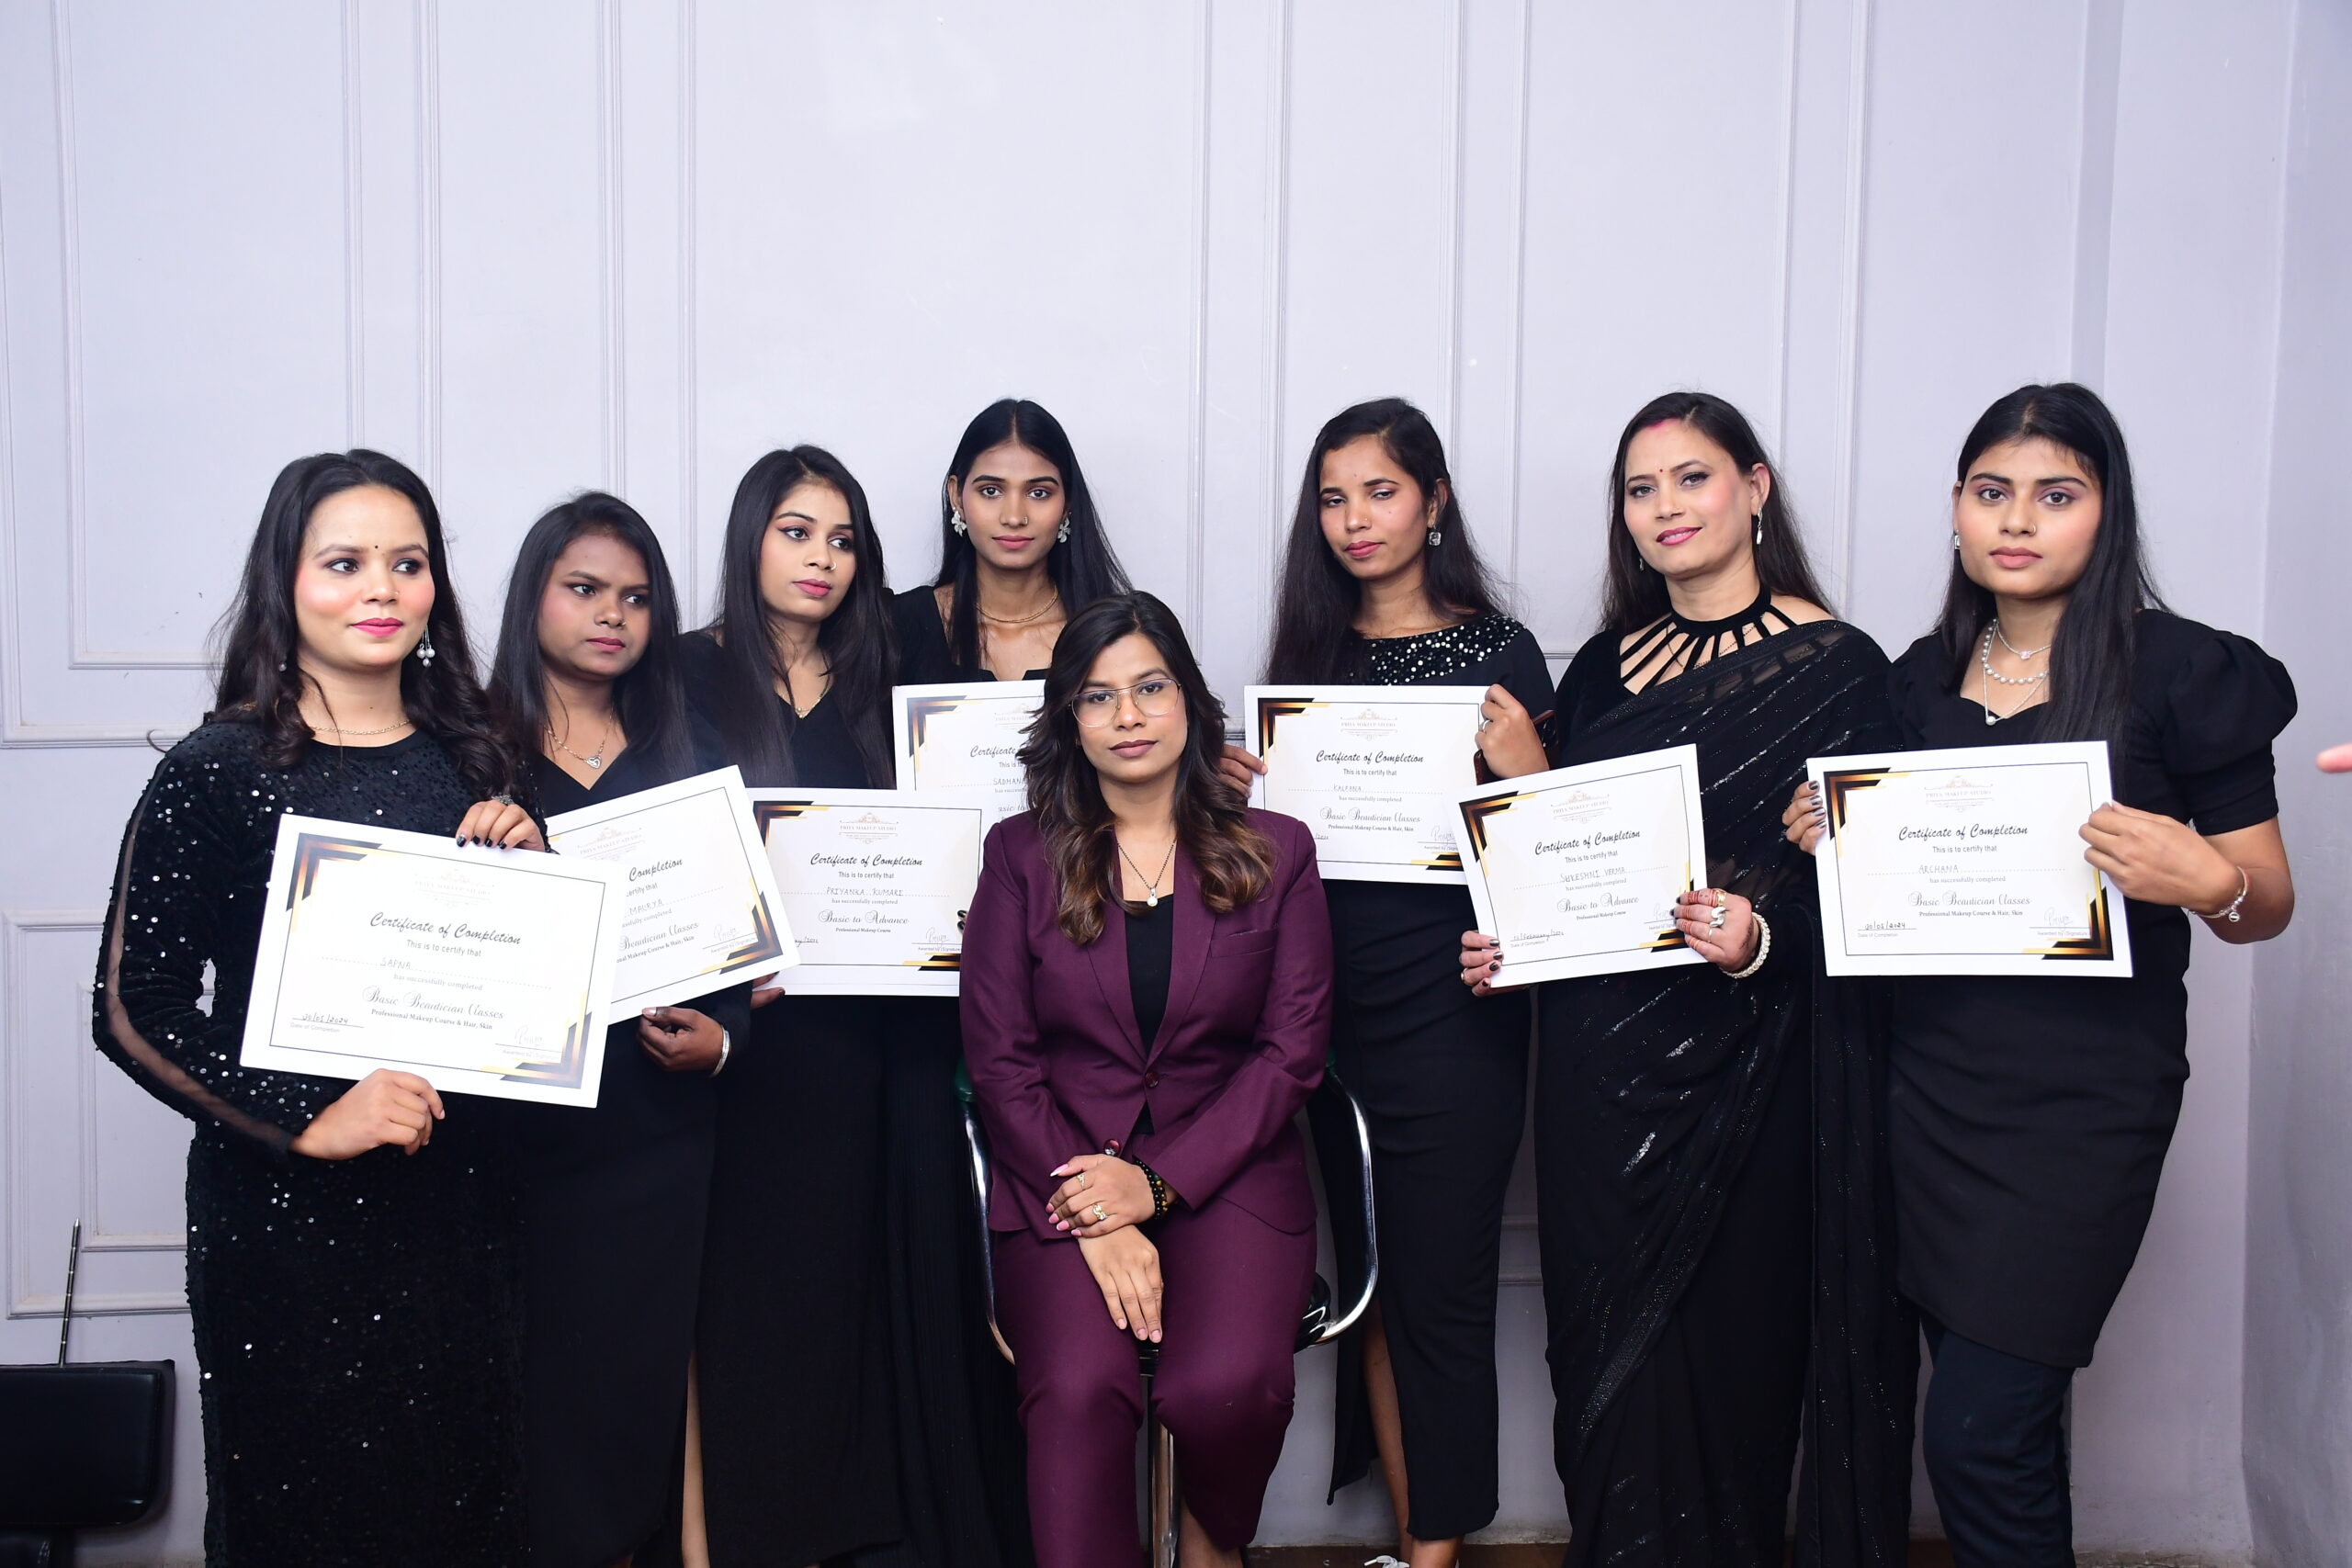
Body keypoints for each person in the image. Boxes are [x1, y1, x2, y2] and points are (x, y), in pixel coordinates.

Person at [1783, 382, 2297, 1566]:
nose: (2016, 520)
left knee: (1979, 1433)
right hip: (1925, 1092)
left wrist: (2205, 877)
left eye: (2055, 495)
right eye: (1991, 492)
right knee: (2006, 1434)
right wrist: (1832, 839)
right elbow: (1895, 884)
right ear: (1956, 509)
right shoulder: (1917, 679)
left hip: (2083, 1107)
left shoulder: (2183, 671)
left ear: (2107, 512)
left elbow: (2265, 906)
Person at [1461, 391, 1914, 1564]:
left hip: (1753, 1073)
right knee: (1598, 1365)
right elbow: (1569, 857)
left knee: (1735, 1359)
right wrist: (1512, 937)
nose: (1664, 506)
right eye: (1640, 487)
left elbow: (1874, 895)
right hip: (1595, 1072)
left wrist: (1761, 939)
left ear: (1754, 488)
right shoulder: (1601, 667)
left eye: (1691, 477)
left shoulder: (1845, 668)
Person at [91, 449, 539, 1567]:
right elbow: (134, 1008)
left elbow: (526, 1011)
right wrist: (306, 1117)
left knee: (463, 1514)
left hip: (462, 1214)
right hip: (287, 1231)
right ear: (283, 582)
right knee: (303, 1520)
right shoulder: (216, 768)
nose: (381, 588)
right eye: (345, 563)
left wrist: (533, 876)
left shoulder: (477, 761)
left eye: (408, 563)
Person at [1221, 397, 1550, 1568]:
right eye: (1332, 498)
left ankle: (1434, 1556)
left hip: (1454, 1010)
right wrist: (1233, 796)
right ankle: (1420, 1550)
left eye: (1380, 491)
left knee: (1439, 1290)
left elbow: (1552, 863)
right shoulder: (1306, 660)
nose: (1355, 520)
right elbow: (1267, 866)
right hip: (1322, 1014)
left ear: (1434, 501)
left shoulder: (1502, 655)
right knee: (1368, 1281)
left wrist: (1531, 769)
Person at [961, 592, 1331, 1568]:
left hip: (1231, 1173)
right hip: (1061, 1176)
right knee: (1079, 1390)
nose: (1127, 716)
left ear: (1189, 701)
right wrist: (1100, 1209)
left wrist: (1156, 1184)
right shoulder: (1018, 856)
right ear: (1070, 721)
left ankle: (1214, 1535)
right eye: (1097, 696)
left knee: (1222, 1389)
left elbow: (1292, 1050)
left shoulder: (1279, 849)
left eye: (1150, 688)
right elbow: (1000, 1061)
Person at [865, 398, 1136, 1568]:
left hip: (1069, 983)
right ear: (953, 499)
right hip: (912, 981)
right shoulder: (892, 627)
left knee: (1048, 1250)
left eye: (1038, 488)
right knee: (940, 1248)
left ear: (1067, 503)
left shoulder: (1110, 634)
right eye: (989, 487)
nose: (1012, 512)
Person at [488, 492, 751, 1568]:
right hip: (516, 1138)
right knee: (533, 1395)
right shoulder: (472, 752)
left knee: (640, 1391)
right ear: (533, 599)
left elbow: (741, 965)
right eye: (585, 590)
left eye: (636, 599)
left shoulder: (690, 752)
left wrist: (722, 1044)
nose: (612, 616)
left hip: (659, 1131)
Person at [671, 446, 903, 1565]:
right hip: (732, 1043)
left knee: (836, 1295)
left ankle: (824, 1536)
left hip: (861, 1040)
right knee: (739, 1302)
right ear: (750, 537)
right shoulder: (681, 672)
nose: (822, 559)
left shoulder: (883, 680)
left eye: (843, 539)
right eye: (797, 532)